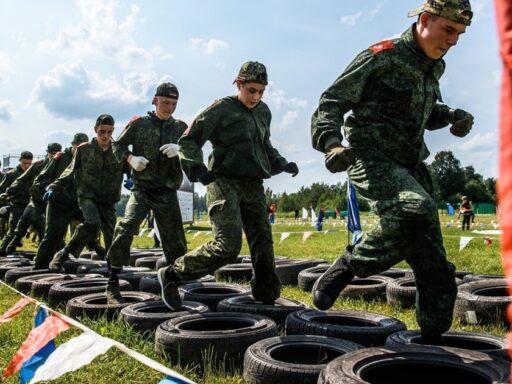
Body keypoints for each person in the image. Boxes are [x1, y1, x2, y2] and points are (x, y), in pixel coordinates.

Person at [310, 0, 473, 343]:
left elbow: (425, 112)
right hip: (372, 157)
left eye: (459, 34)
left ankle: (430, 340)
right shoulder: (381, 55)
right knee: (414, 208)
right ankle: (348, 265)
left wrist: (451, 116)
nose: (453, 41)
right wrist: (330, 143)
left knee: (434, 267)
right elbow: (332, 101)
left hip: (411, 164)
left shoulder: (433, 65)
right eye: (448, 30)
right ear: (425, 20)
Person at [157, 61, 299, 310]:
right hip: (223, 181)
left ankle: (266, 295)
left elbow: (264, 145)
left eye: (261, 91)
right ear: (238, 84)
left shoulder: (263, 112)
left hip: (253, 183)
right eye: (251, 90)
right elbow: (188, 140)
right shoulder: (221, 109)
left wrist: (282, 163)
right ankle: (171, 274)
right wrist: (197, 169)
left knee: (263, 241)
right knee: (228, 245)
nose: (256, 96)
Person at [105, 82, 188, 304]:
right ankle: (112, 282)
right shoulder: (139, 124)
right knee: (126, 227)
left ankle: (171, 283)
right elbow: (117, 145)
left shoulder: (180, 128)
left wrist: (181, 150)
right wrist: (130, 159)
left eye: (173, 104)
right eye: (165, 102)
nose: (169, 107)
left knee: (176, 242)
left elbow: (194, 149)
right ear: (155, 100)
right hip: (142, 189)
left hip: (167, 191)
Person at [49, 115, 127, 273]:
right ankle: (63, 254)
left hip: (108, 199)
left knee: (112, 234)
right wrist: (54, 186)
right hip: (87, 195)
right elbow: (70, 170)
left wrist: (133, 180)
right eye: (101, 132)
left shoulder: (119, 150)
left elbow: (130, 169)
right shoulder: (84, 149)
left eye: (109, 132)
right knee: (92, 223)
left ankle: (113, 269)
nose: (105, 136)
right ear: (95, 130)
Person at [32, 133, 90, 269]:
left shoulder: (86, 159)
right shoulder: (60, 158)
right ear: (73, 145)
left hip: (75, 203)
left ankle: (67, 252)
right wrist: (48, 192)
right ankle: (39, 267)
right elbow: (39, 180)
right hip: (57, 203)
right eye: (79, 147)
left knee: (92, 224)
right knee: (52, 235)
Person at [3, 143, 62, 255]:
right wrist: (7, 194)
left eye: (57, 154)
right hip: (29, 203)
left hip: (49, 203)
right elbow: (21, 179)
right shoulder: (38, 165)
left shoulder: (62, 165)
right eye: (52, 154)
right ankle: (3, 253)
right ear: (48, 153)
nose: (55, 156)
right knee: (16, 231)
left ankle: (51, 256)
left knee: (49, 232)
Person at [0, 151, 34, 255]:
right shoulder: (11, 175)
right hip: (17, 207)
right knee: (13, 232)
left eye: (29, 163)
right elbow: (2, 191)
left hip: (32, 207)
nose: (27, 166)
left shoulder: (35, 174)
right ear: (20, 161)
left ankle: (48, 254)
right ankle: (2, 253)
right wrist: (5, 205)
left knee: (45, 230)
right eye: (24, 163)